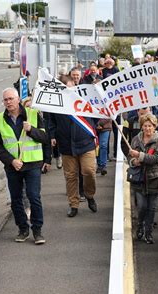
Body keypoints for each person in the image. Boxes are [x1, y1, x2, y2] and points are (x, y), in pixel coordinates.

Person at [0, 88, 48, 244]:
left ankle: (37, 230)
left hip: (32, 164)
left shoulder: (33, 114)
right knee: (16, 200)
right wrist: (11, 161)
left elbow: (44, 138)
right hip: (13, 166)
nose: (8, 102)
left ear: (18, 99)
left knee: (34, 197)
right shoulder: (0, 119)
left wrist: (31, 130)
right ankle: (23, 228)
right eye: (5, 100)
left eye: (11, 99)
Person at [49, 75, 98, 217]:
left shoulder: (83, 99)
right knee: (70, 176)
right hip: (66, 145)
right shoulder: (55, 103)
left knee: (89, 171)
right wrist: (52, 135)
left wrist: (94, 127)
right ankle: (73, 204)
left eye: (70, 88)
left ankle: (89, 195)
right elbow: (51, 121)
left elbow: (96, 115)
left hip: (85, 143)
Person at [128, 114, 158, 244]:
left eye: (150, 126)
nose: (148, 128)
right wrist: (133, 161)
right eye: (145, 126)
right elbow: (129, 156)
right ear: (141, 126)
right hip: (139, 178)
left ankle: (149, 232)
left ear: (154, 127)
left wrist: (140, 156)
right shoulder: (136, 140)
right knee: (142, 206)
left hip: (154, 178)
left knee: (152, 208)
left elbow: (156, 158)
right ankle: (140, 225)